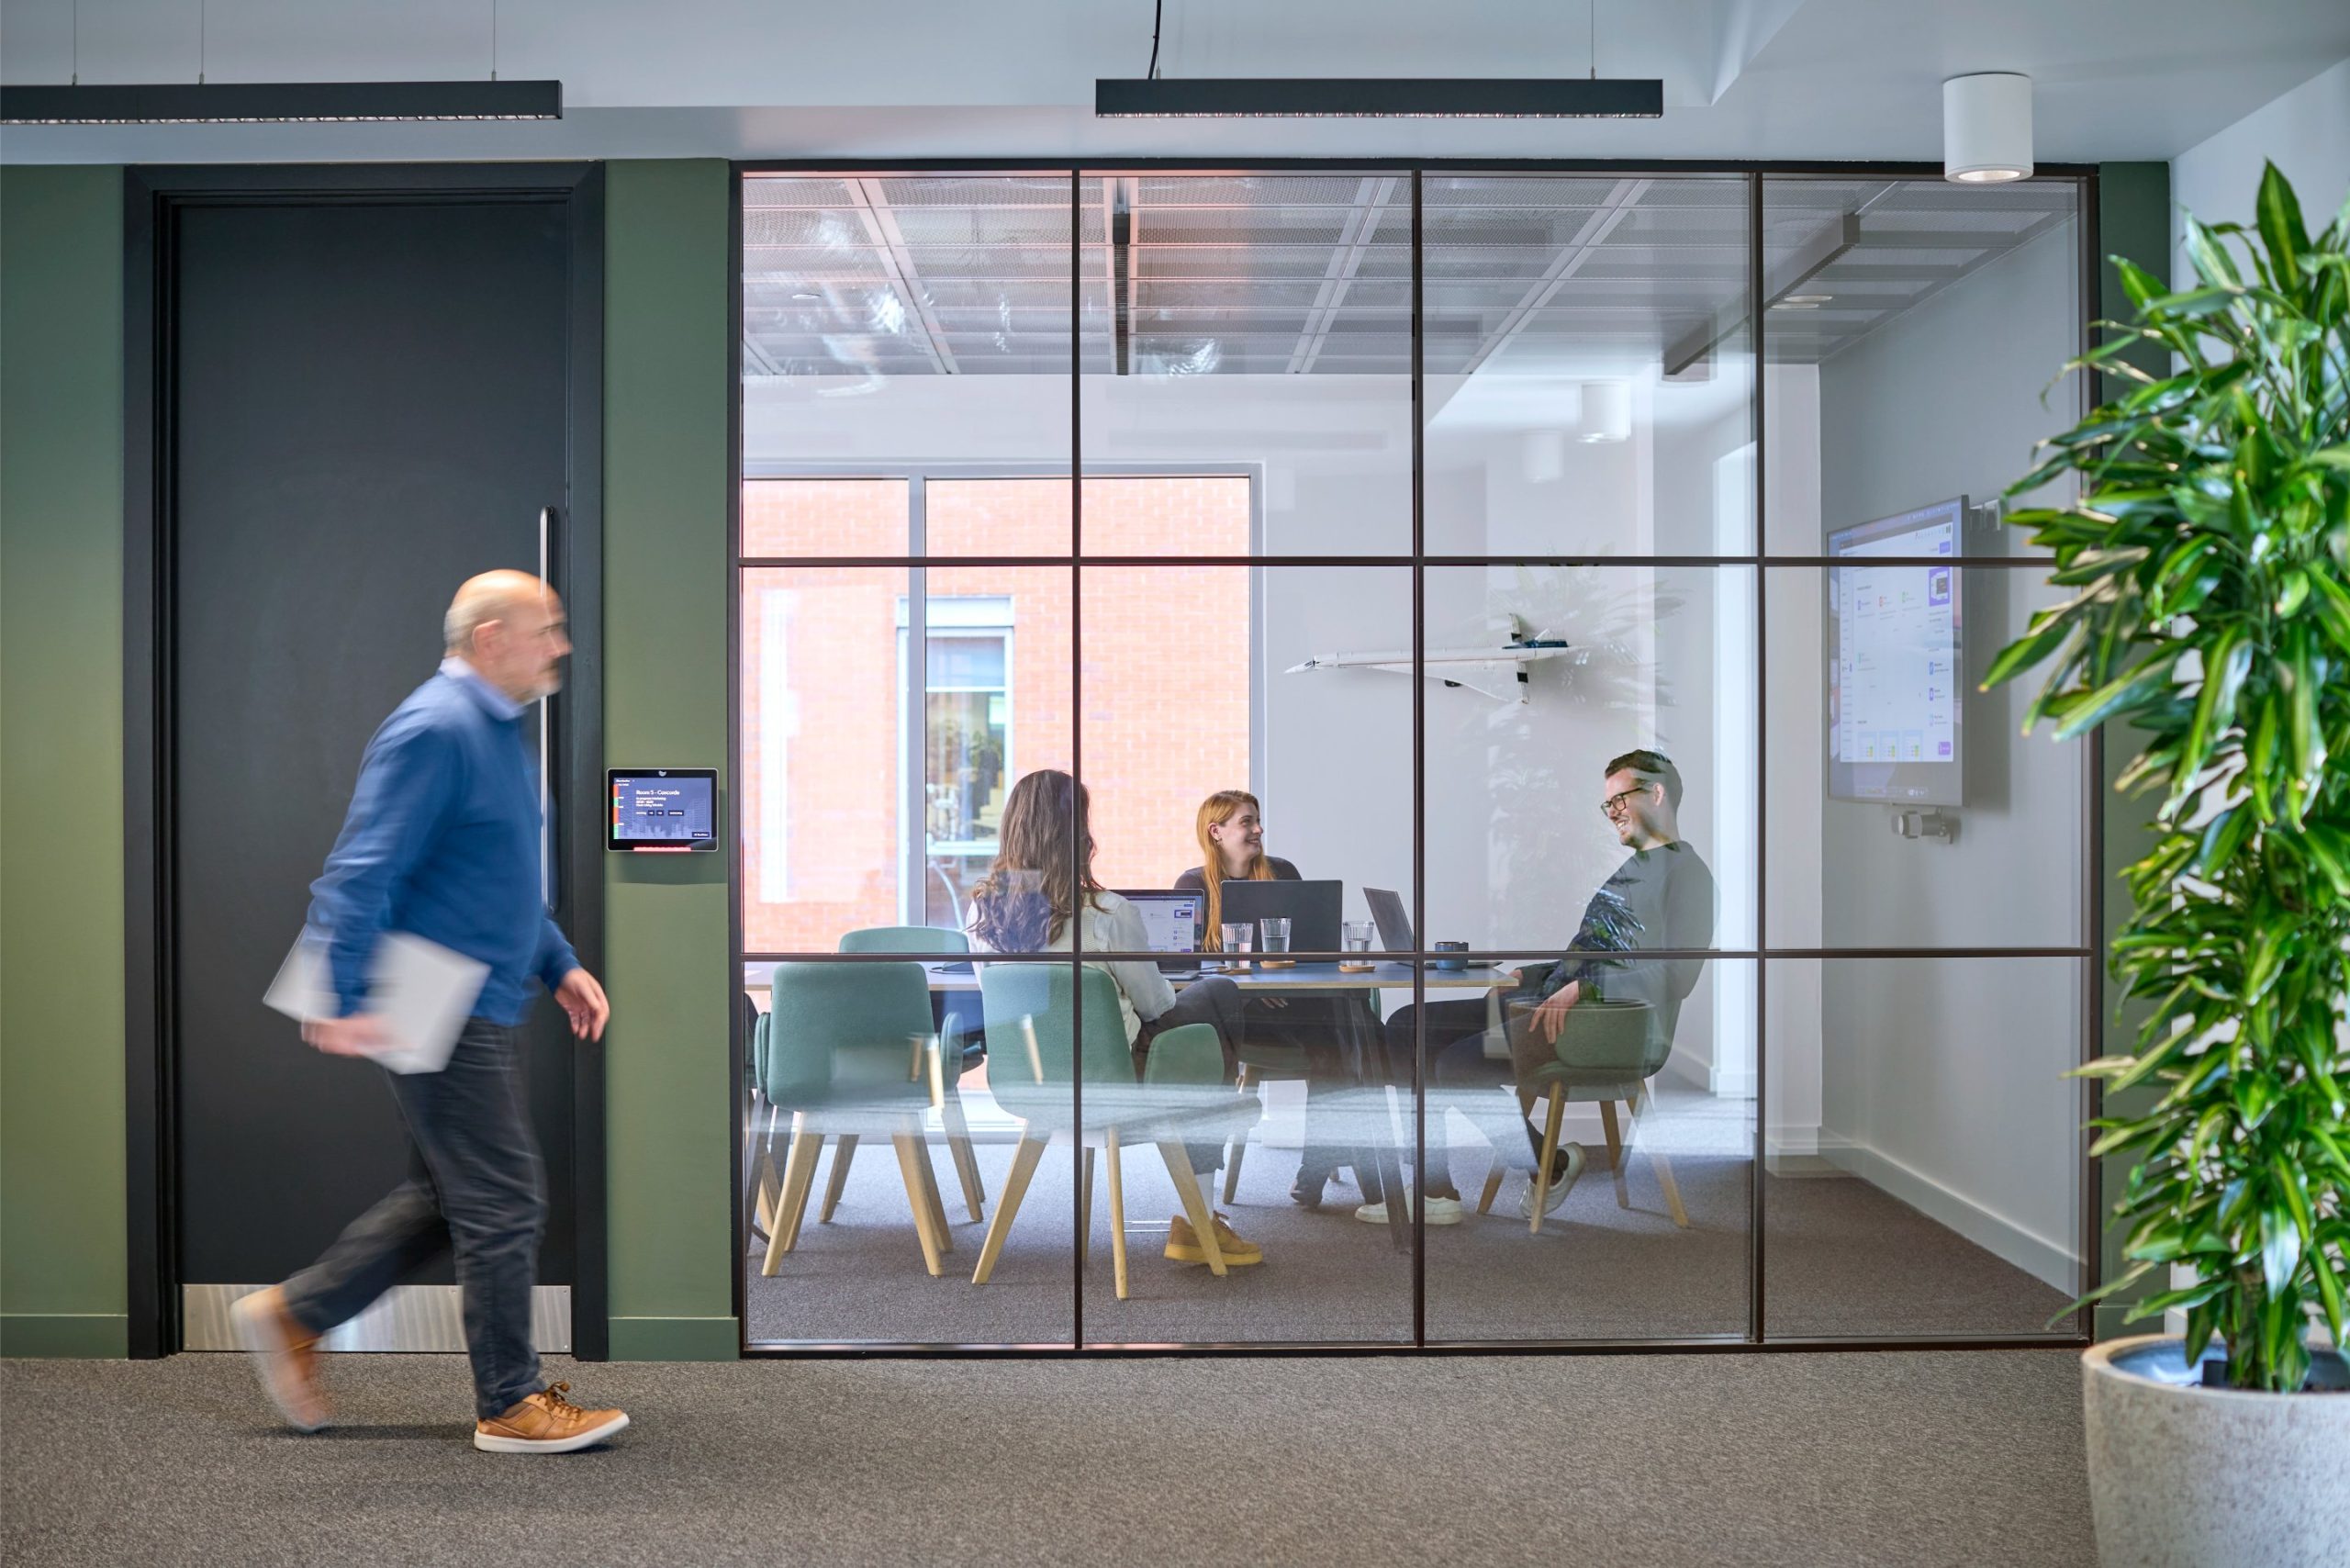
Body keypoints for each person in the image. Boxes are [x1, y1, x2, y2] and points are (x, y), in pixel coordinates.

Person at [231, 571, 627, 1454]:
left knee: (450, 1198)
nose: (559, 647)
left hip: (476, 991)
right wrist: (336, 994)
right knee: (504, 1199)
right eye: (546, 631)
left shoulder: (492, 732)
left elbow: (495, 877)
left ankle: (296, 1313)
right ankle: (510, 1404)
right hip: (435, 999)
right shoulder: (435, 729)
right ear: (491, 638)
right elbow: (361, 867)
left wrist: (556, 960)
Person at [1369, 749, 1715, 1225]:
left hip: (1606, 1025)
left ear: (1657, 793)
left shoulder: (1687, 875)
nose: (1613, 813)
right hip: (1558, 1004)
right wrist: (1528, 976)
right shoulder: (1634, 869)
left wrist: (1586, 989)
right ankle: (1442, 1185)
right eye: (1608, 804)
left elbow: (1679, 975)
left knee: (1454, 1064)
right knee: (1408, 1025)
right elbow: (1592, 953)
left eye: (1621, 800)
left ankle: (1532, 1169)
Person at [966, 769, 1265, 1268]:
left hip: (1030, 1080)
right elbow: (1157, 1007)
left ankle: (1212, 1136)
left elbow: (997, 1000)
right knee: (1217, 995)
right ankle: (1200, 1210)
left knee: (1202, 1017)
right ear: (1077, 834)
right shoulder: (1106, 912)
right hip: (1116, 1080)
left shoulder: (981, 915)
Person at [1174, 790, 1378, 1211]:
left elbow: (1315, 947)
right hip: (1242, 1013)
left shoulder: (1282, 871)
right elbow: (1192, 966)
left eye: (1257, 820)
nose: (1258, 829)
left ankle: (1317, 1161)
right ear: (1217, 832)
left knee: (1336, 1033)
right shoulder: (1193, 885)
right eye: (1247, 822)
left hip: (1298, 1002)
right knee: (1345, 1037)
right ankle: (1344, 1161)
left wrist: (1279, 978)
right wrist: (1257, 984)